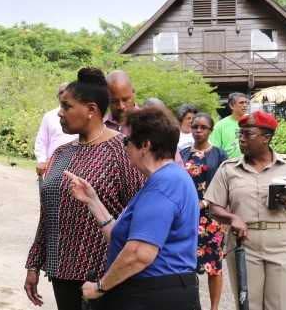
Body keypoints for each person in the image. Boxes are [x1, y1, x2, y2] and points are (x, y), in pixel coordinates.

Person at [24, 68, 145, 310]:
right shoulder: (60, 154)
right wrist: (33, 264)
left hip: (106, 277)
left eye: (66, 106)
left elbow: (139, 216)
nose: (60, 112)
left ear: (91, 110)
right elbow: (47, 214)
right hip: (62, 273)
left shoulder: (122, 151)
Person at [67, 106, 201, 310]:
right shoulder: (165, 180)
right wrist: (92, 201)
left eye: (126, 141)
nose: (125, 147)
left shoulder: (164, 184)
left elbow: (139, 253)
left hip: (154, 295)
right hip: (154, 292)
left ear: (145, 145)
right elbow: (123, 238)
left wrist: (100, 287)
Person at [205, 110, 286, 310]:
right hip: (243, 242)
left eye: (248, 134)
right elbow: (214, 207)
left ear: (267, 138)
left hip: (280, 242)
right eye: (240, 134)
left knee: (281, 305)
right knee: (248, 304)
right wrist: (231, 218)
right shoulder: (228, 169)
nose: (242, 139)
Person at [180, 113, 227, 310]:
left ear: (210, 130)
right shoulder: (182, 154)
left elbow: (225, 186)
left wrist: (207, 204)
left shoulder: (219, 154)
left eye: (203, 127)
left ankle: (214, 307)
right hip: (186, 218)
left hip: (211, 218)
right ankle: (192, 305)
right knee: (187, 265)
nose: (198, 130)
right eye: (195, 126)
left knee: (213, 267)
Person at [34, 83, 78, 176]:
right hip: (52, 165)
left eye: (68, 91)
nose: (65, 94)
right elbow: (41, 141)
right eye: (62, 92)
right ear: (58, 96)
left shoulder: (78, 114)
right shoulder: (49, 116)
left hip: (75, 165)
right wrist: (41, 160)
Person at [210, 92, 248, 158]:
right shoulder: (220, 125)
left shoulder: (252, 121)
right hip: (229, 164)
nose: (245, 105)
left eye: (246, 102)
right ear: (231, 106)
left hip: (250, 163)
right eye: (241, 103)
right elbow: (214, 149)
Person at [104, 70, 138, 135]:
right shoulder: (100, 128)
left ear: (133, 93)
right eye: (114, 101)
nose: (121, 106)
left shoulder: (149, 125)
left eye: (125, 100)